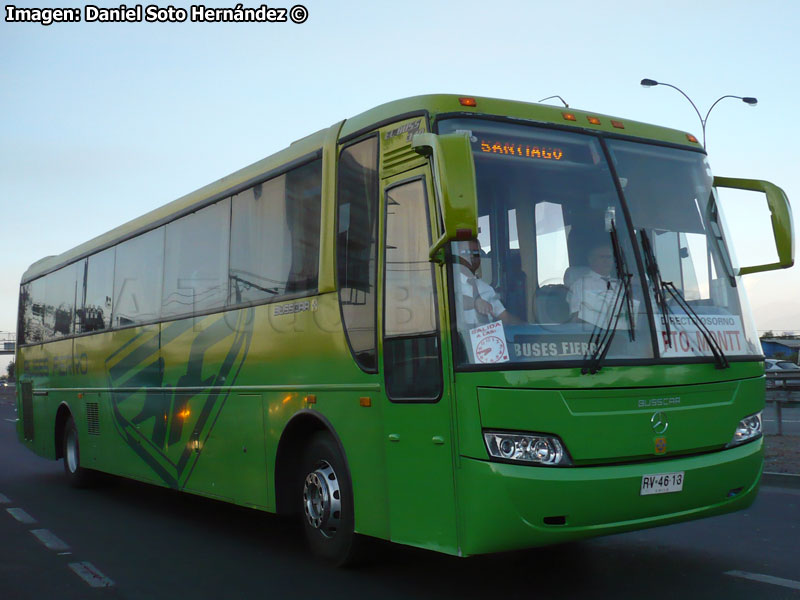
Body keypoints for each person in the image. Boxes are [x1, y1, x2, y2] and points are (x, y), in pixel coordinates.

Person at [453, 239, 522, 328]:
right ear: (456, 256)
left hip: (487, 339)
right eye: (465, 252)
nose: (471, 256)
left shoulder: (486, 288)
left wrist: (529, 328)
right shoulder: (451, 283)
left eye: (475, 253)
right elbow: (453, 300)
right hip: (463, 340)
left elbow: (505, 317)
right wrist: (475, 302)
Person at [565, 241, 621, 327]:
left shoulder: (620, 285)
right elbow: (576, 317)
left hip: (622, 334)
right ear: (591, 259)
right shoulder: (580, 285)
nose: (606, 261)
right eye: (602, 257)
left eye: (609, 257)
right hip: (594, 335)